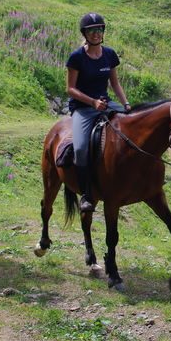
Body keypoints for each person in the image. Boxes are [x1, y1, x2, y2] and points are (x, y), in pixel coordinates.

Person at [66, 12, 131, 213]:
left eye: (99, 29)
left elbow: (115, 83)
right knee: (80, 149)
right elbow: (70, 89)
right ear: (85, 33)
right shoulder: (77, 57)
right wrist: (92, 102)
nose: (96, 33)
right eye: (92, 30)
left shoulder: (109, 54)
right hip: (83, 108)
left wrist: (126, 104)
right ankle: (86, 194)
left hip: (106, 104)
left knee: (133, 129)